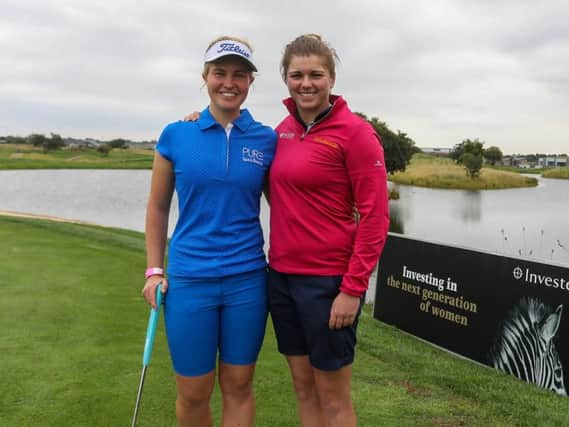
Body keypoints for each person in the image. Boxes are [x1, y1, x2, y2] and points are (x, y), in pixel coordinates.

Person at [184, 33, 389, 426]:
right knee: (302, 387)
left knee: (333, 398)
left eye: (316, 74)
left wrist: (353, 288)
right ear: (285, 79)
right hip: (280, 278)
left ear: (331, 78)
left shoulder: (356, 133)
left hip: (329, 283)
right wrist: (199, 119)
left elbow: (376, 218)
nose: (306, 83)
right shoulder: (280, 133)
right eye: (297, 75)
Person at [142, 35, 276, 427]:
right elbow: (158, 207)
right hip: (190, 280)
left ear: (251, 81)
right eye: (220, 73)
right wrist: (154, 270)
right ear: (205, 77)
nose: (229, 82)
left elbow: (288, 201)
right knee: (194, 392)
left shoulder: (266, 139)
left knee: (238, 385)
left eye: (239, 74)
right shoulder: (176, 134)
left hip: (247, 281)